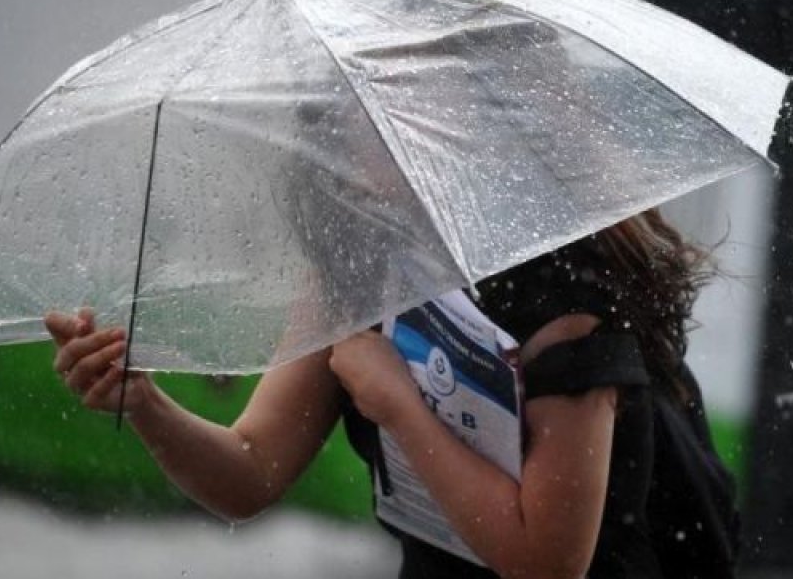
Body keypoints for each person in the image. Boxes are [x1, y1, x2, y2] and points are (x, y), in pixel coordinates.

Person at [45, 208, 738, 578]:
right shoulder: (358, 267)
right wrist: (144, 405)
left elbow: (545, 565)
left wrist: (398, 406)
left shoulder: (566, 304)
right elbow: (249, 470)